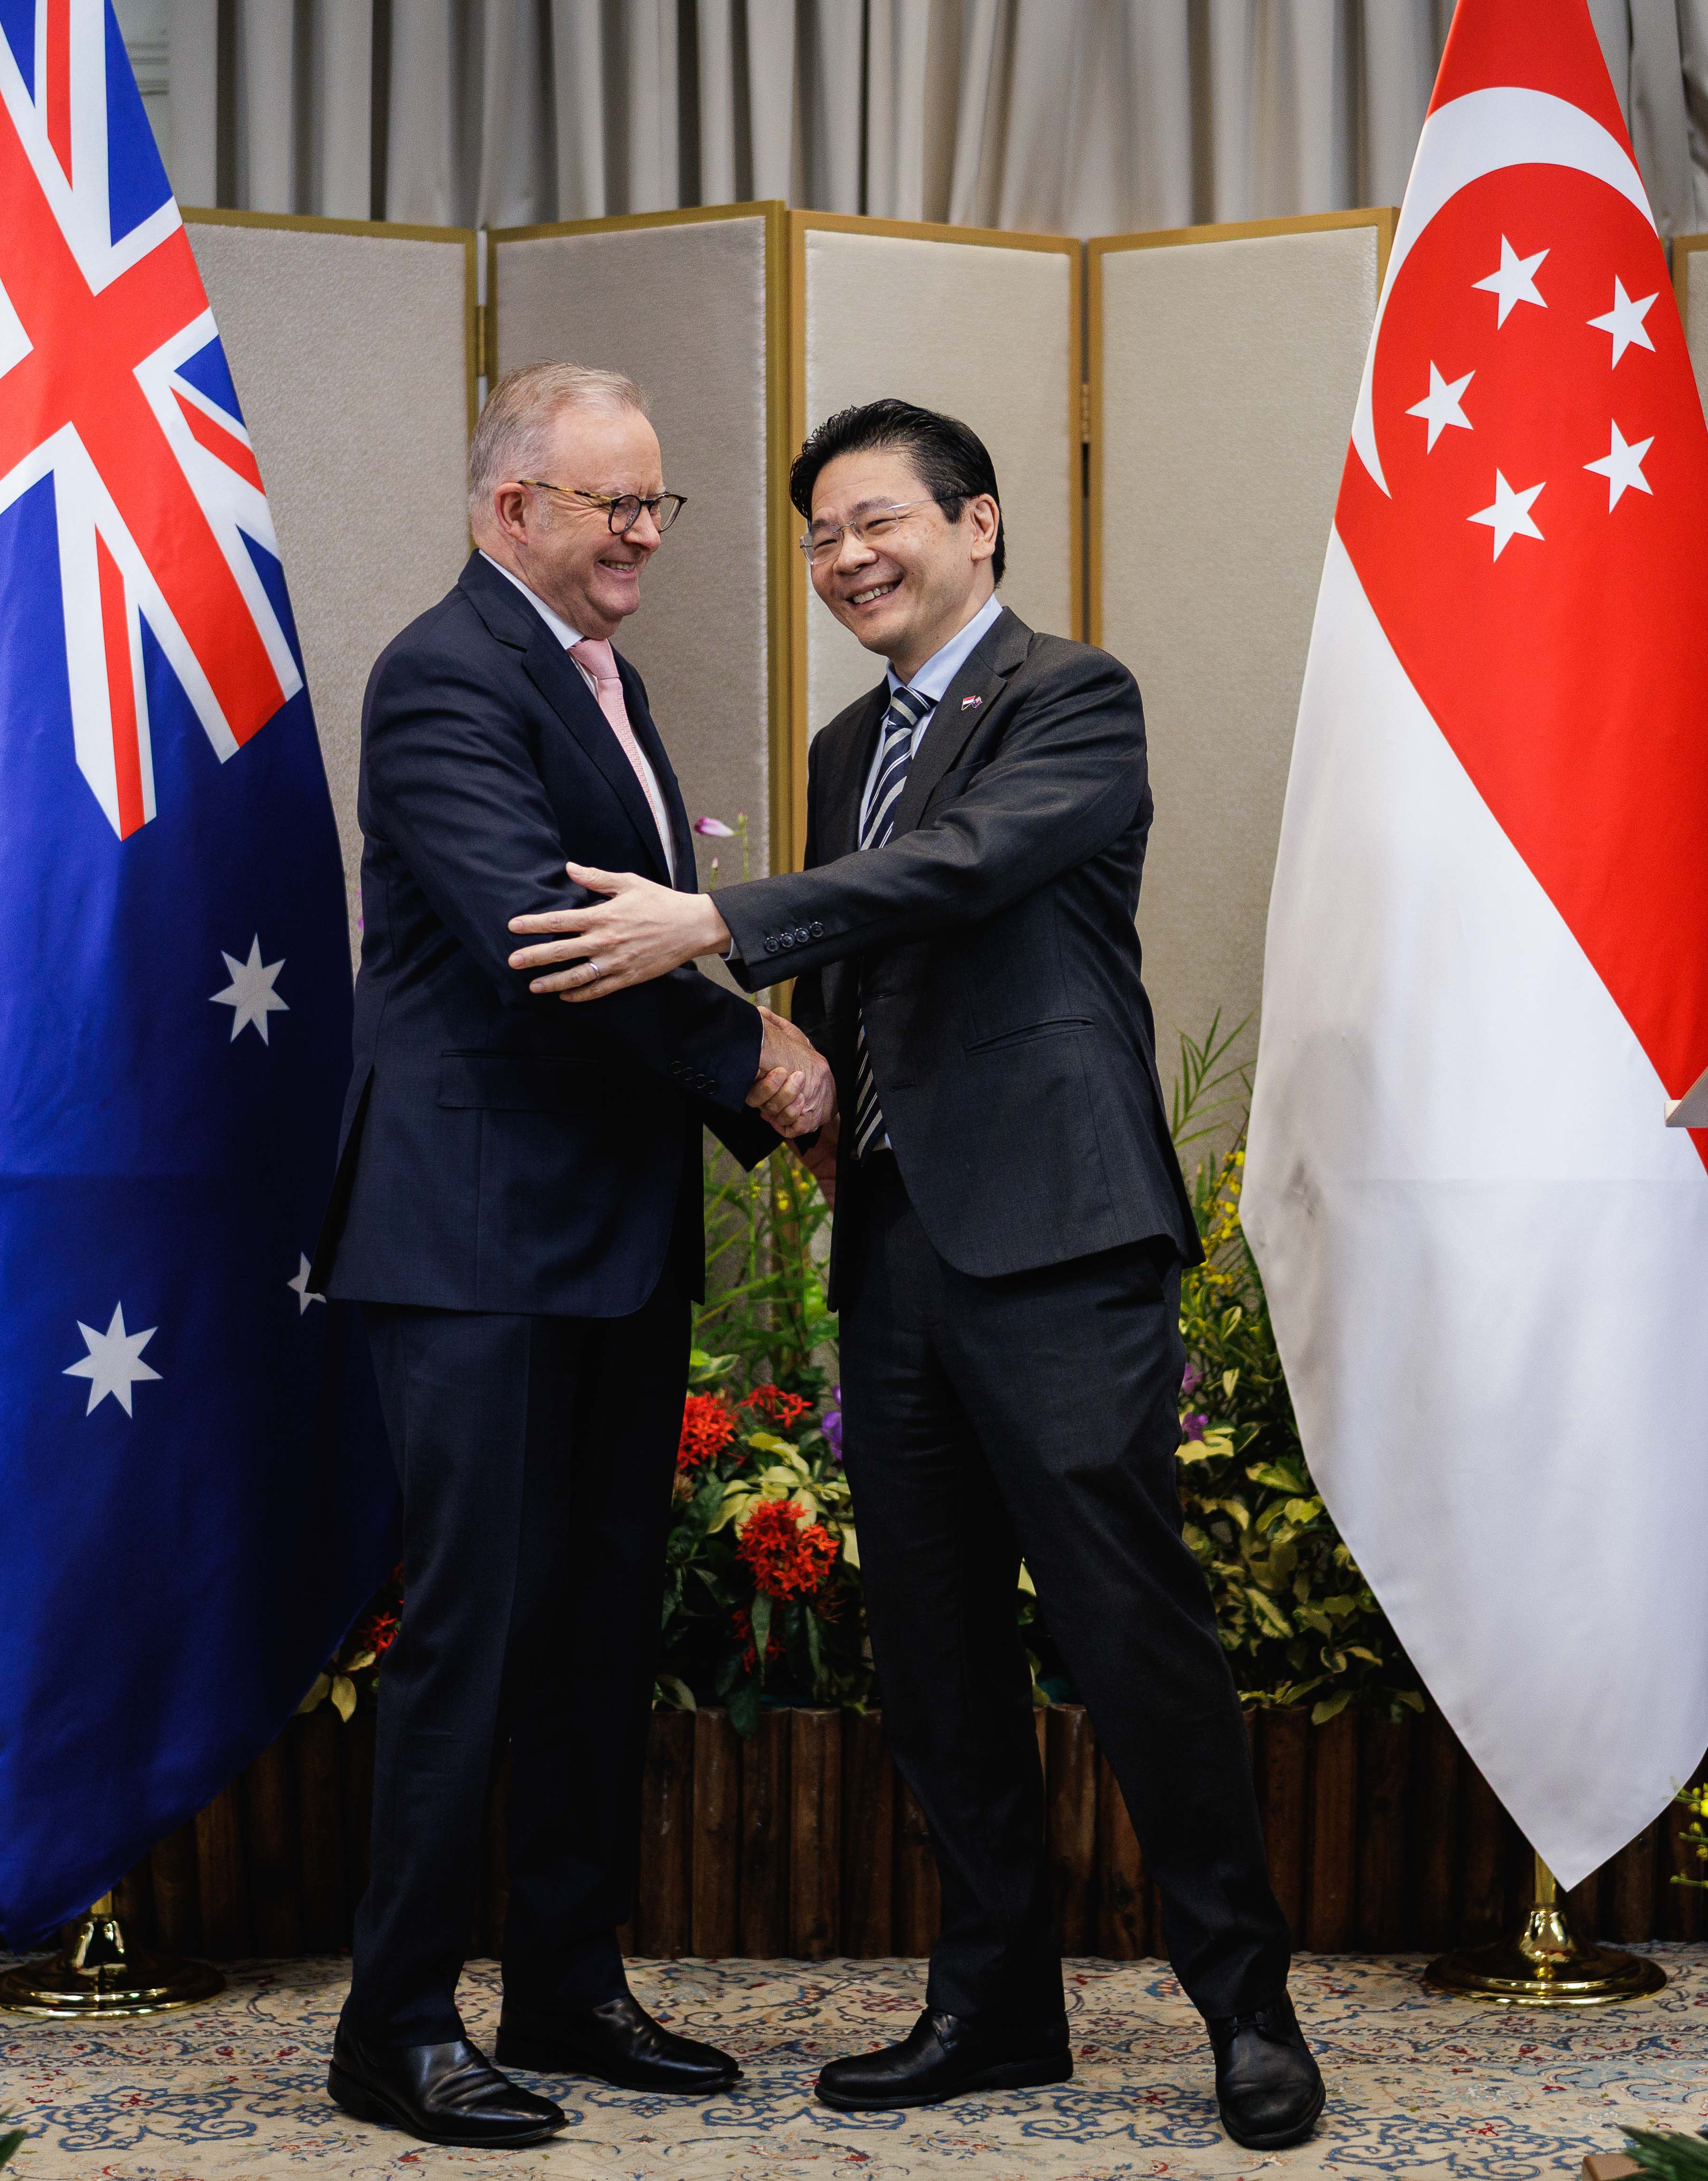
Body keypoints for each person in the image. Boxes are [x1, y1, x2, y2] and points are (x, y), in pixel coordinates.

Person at [503, 398, 1325, 2150]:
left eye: (880, 521)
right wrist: (800, 1095)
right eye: (820, 535)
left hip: (1057, 1229)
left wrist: (708, 923)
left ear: (982, 525)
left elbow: (959, 871)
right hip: (894, 1237)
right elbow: (859, 975)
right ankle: (996, 2000)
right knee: (934, 1641)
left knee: (1129, 1627)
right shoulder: (833, 747)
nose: (849, 558)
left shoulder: (1072, 698)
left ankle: (1247, 2005)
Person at [315, 361, 836, 2149]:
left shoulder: (603, 677)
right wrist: (760, 1061)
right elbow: (546, 930)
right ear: (505, 509)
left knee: (594, 1626)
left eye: (656, 505)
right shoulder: (443, 672)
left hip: (607, 1240)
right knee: (469, 1633)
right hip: (472, 1242)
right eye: (609, 503)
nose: (640, 535)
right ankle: (394, 2023)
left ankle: (565, 1979)